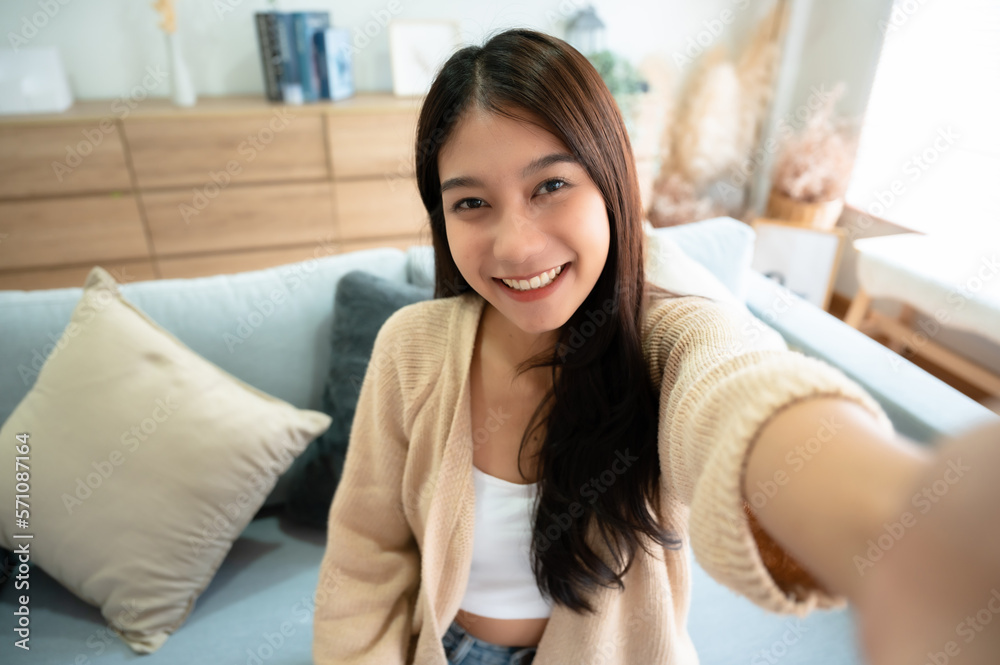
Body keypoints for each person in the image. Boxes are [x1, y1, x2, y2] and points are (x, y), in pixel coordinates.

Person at [312, 28, 1000, 665]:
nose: (515, 244)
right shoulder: (411, 348)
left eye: (551, 185)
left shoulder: (665, 341)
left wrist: (904, 518)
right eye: (471, 203)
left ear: (612, 182)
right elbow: (366, 553)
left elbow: (732, 389)